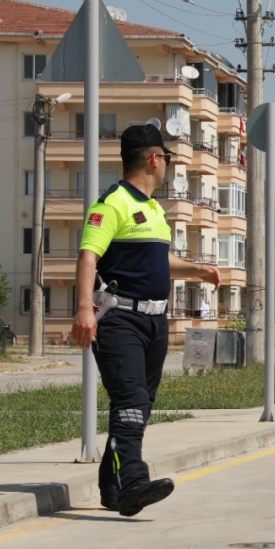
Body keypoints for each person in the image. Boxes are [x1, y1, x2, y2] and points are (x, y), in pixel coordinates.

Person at [72, 123, 220, 517]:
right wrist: (84, 308)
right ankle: (134, 481)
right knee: (131, 401)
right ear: (155, 159)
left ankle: (112, 487)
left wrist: (197, 270)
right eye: (167, 158)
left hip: (154, 322)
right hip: (120, 319)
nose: (168, 165)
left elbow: (158, 261)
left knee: (139, 405)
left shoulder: (154, 210)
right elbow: (88, 256)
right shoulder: (112, 204)